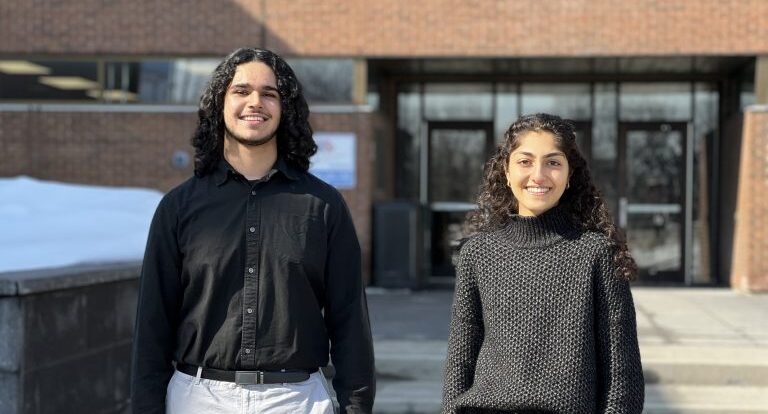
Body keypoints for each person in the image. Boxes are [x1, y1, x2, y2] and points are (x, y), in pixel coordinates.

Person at [131, 48, 375, 414]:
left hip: (296, 399)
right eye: (241, 91)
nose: (255, 102)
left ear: (285, 108)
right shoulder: (178, 208)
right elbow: (152, 325)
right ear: (220, 103)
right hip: (198, 398)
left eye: (269, 93)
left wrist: (356, 407)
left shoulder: (323, 206)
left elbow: (350, 321)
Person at [442, 113, 644, 413]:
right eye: (525, 161)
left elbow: (621, 373)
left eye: (553, 162)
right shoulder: (478, 253)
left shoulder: (595, 253)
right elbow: (460, 359)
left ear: (569, 174)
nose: (538, 175)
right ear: (507, 172)